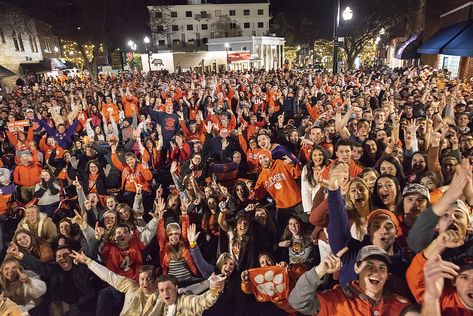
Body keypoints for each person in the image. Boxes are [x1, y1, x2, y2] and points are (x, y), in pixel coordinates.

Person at [288, 245, 410, 315]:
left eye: (382, 268)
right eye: (369, 266)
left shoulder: (400, 305)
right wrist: (319, 270)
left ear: (388, 275)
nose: (376, 272)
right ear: (357, 268)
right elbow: (298, 301)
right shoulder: (336, 300)